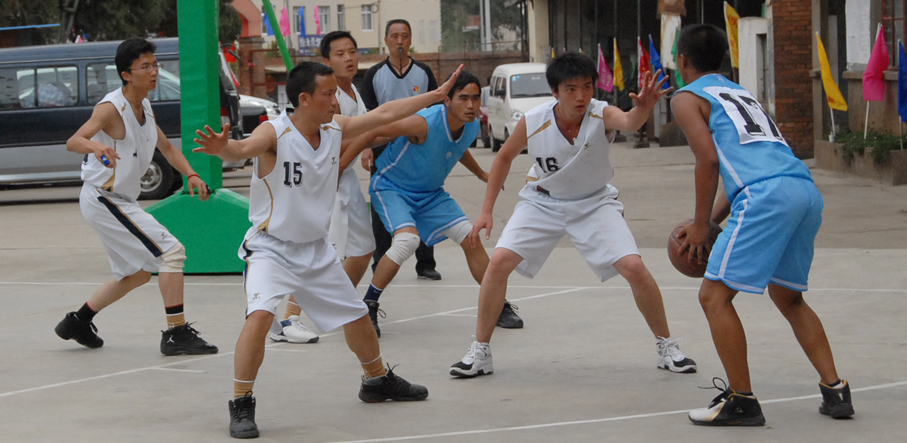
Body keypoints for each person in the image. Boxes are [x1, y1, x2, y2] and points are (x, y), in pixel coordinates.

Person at [193, 61, 464, 439]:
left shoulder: (334, 128)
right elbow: (243, 147)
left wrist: (434, 96)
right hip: (271, 249)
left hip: (316, 250)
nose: (336, 100)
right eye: (328, 93)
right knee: (260, 317)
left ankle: (376, 380)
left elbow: (384, 114)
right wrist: (224, 148)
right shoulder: (275, 132)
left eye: (336, 92)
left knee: (357, 316)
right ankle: (241, 401)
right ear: (304, 99)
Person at [450, 52, 696, 379]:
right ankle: (480, 351)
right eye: (571, 89)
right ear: (554, 91)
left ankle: (667, 346)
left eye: (587, 87)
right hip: (542, 202)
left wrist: (643, 108)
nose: (581, 96)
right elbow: (504, 158)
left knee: (634, 266)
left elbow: (629, 121)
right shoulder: (534, 120)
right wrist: (486, 211)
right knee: (498, 263)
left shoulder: (600, 113)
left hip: (594, 203)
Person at [671, 24, 853, 426]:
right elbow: (749, 167)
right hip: (803, 190)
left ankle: (742, 401)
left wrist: (700, 225)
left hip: (765, 196)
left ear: (682, 60)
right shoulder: (740, 93)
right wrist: (711, 221)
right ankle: (836, 390)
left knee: (713, 297)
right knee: (789, 298)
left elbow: (708, 161)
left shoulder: (687, 97)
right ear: (722, 58)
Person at [54, 38, 217, 356]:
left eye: (155, 65)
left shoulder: (145, 106)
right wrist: (96, 145)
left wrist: (192, 175)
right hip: (103, 198)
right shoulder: (111, 108)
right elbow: (74, 141)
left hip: (119, 200)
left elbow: (166, 147)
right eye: (145, 66)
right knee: (171, 252)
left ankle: (78, 321)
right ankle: (176, 333)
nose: (154, 71)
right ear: (126, 74)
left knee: (138, 273)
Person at [347, 70, 523, 338]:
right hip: (392, 188)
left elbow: (457, 147)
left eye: (476, 98)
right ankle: (369, 304)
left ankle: (497, 304)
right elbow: (375, 131)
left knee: (470, 238)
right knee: (407, 242)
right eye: (463, 98)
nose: (471, 105)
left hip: (431, 194)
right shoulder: (423, 123)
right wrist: (340, 164)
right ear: (447, 100)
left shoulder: (471, 124)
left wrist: (482, 174)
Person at [266, 31, 374, 345]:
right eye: (340, 54)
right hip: (326, 182)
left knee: (363, 249)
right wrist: (364, 143)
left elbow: (364, 130)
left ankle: (338, 307)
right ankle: (290, 317)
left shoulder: (352, 91)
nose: (349, 58)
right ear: (326, 61)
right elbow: (341, 142)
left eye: (352, 51)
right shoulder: (324, 100)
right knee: (320, 253)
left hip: (347, 179)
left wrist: (368, 142)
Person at [359, 19, 442, 282]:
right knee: (381, 203)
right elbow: (367, 115)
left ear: (410, 39)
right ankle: (381, 262)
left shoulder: (423, 72)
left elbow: (436, 109)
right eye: (394, 36)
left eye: (404, 36)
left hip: (418, 144)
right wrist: (366, 147)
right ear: (386, 40)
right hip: (383, 145)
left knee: (423, 200)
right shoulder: (374, 74)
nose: (399, 41)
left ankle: (425, 263)